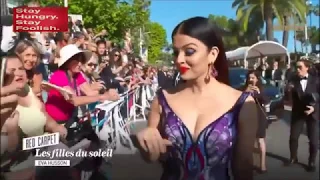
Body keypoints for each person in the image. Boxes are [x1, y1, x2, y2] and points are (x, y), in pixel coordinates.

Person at [136, 17, 258, 180]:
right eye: (176, 52)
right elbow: (152, 157)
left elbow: (243, 167)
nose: (179, 60)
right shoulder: (162, 99)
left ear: (212, 54)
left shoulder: (243, 104)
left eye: (189, 51)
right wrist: (145, 143)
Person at [45, 44, 118, 123]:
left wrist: (108, 93)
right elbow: (74, 100)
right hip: (55, 122)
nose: (80, 64)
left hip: (69, 119)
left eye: (81, 60)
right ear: (67, 62)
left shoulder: (77, 75)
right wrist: (103, 97)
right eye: (76, 61)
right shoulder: (59, 76)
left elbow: (89, 92)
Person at [286, 59, 319, 172]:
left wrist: (314, 108)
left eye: (300, 67)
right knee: (293, 137)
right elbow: (287, 97)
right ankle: (293, 157)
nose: (297, 70)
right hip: (298, 113)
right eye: (296, 67)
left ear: (307, 68)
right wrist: (288, 90)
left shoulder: (316, 80)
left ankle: (312, 161)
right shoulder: (293, 80)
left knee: (314, 140)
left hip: (312, 113)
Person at [242, 70, 269, 174]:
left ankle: (262, 165)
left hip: (259, 116)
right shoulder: (243, 88)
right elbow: (238, 100)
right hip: (248, 117)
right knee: (248, 141)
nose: (250, 80)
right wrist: (245, 92)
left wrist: (258, 93)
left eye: (253, 78)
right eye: (249, 78)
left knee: (260, 140)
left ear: (257, 79)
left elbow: (266, 101)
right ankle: (247, 163)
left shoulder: (261, 88)